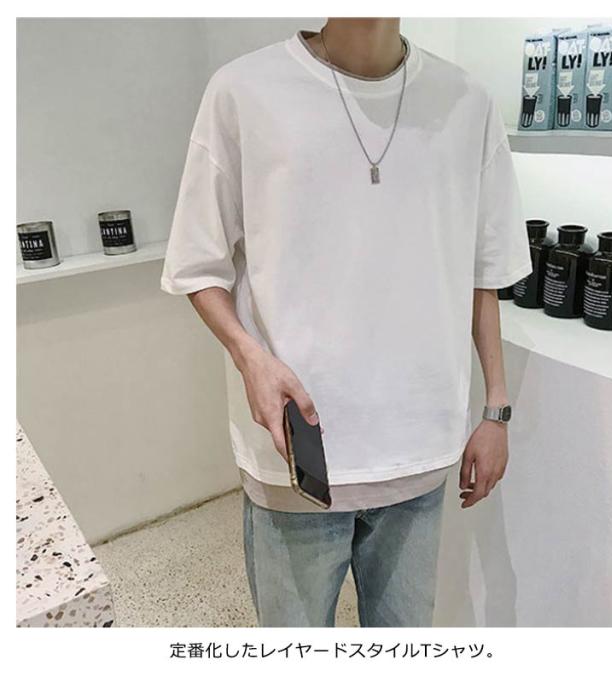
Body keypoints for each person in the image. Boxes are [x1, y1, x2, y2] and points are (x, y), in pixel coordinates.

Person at [160, 17, 532, 627]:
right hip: (297, 451)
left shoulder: (467, 102)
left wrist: (496, 410)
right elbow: (198, 263)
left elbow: (482, 272)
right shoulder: (244, 90)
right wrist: (250, 357)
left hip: (418, 450)